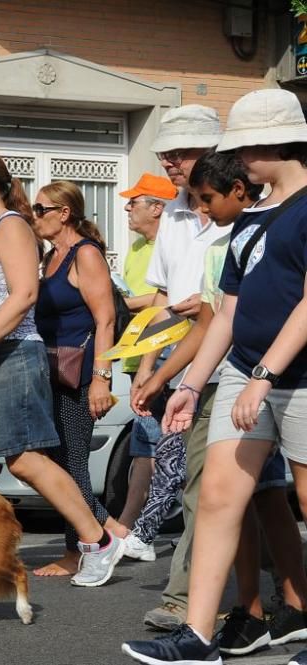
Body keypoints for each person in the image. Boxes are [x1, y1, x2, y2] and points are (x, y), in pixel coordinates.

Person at [122, 88, 307, 665]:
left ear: (272, 142)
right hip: (245, 373)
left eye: (244, 146)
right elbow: (228, 308)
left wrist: (264, 374)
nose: (238, 159)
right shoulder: (251, 215)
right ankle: (198, 636)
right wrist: (190, 384)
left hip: (296, 378)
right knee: (221, 498)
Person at [0, 152, 125, 588]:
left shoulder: (13, 228)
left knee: (25, 461)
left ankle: (98, 540)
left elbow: (23, 296)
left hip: (8, 356)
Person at [129, 105, 232, 631]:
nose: (170, 162)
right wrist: (150, 369)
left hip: (238, 361)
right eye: (165, 153)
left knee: (218, 486)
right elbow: (164, 301)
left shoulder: (241, 206)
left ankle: (189, 597)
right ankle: (198, 596)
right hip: (185, 363)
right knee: (198, 481)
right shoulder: (169, 214)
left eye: (181, 152)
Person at [29, 181, 126, 577]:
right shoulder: (51, 257)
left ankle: (80, 551)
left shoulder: (85, 254)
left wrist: (101, 379)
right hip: (49, 371)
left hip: (79, 374)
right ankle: (115, 530)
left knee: (72, 463)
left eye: (40, 209)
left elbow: (105, 319)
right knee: (55, 460)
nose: (34, 216)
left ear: (64, 213)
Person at [115, 173, 176, 529]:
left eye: (134, 202)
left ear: (157, 208)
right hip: (137, 358)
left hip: (167, 358)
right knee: (144, 444)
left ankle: (138, 528)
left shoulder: (171, 243)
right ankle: (132, 526)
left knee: (161, 444)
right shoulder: (137, 248)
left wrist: (122, 303)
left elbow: (166, 299)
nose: (127, 207)